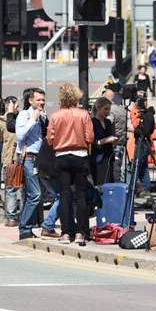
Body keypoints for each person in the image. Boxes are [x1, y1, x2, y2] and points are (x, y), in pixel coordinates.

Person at [46, 84, 94, 245]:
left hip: (62, 156)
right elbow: (90, 137)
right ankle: (81, 233)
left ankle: (66, 233)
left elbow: (50, 139)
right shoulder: (83, 114)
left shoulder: (56, 115)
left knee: (65, 195)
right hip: (80, 155)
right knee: (81, 195)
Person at [15, 88, 47, 240]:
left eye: (43, 100)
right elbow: (20, 136)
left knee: (32, 195)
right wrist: (33, 119)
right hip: (28, 159)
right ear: (30, 100)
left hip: (39, 159)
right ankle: (24, 227)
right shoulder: (24, 115)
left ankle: (27, 229)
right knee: (35, 194)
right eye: (38, 99)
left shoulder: (42, 116)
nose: (41, 102)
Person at [0, 96, 20, 227]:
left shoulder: (1, 122)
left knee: (10, 189)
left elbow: (0, 138)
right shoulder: (20, 119)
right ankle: (21, 215)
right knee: (21, 189)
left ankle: (11, 218)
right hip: (18, 158)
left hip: (8, 158)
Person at [104, 82, 129, 183]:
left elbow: (107, 126)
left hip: (113, 145)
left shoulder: (111, 110)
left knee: (113, 171)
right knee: (117, 168)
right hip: (121, 143)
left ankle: (114, 191)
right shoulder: (121, 108)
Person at [91, 97, 118, 186]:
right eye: (105, 109)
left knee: (109, 182)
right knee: (100, 182)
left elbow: (112, 135)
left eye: (109, 109)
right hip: (98, 158)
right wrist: (105, 141)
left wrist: (114, 141)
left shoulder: (108, 122)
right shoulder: (92, 122)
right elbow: (92, 142)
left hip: (108, 156)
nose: (108, 112)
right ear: (98, 108)